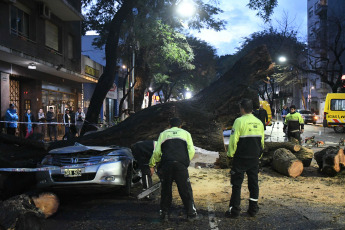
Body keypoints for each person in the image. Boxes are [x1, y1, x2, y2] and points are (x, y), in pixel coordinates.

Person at [149, 117, 201, 222]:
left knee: (166, 190)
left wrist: (152, 164)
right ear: (180, 125)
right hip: (180, 165)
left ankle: (165, 214)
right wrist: (185, 162)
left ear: (169, 125)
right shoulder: (186, 133)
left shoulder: (163, 134)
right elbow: (191, 150)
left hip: (167, 164)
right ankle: (191, 214)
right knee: (185, 189)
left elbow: (157, 152)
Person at [226, 99, 264, 218]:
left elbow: (233, 140)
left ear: (242, 108)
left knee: (236, 184)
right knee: (253, 184)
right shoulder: (259, 122)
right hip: (254, 159)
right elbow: (262, 142)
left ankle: (235, 211)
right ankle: (253, 209)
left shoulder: (239, 121)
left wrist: (230, 154)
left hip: (240, 158)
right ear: (251, 109)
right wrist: (259, 156)